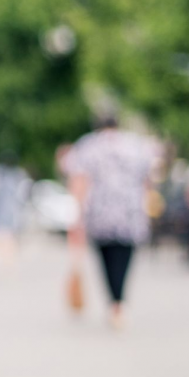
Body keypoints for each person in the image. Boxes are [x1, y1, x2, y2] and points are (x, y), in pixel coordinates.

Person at [61, 113, 161, 330]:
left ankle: (115, 302)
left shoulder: (88, 145)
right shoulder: (136, 145)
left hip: (100, 213)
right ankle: (119, 302)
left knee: (106, 259)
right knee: (124, 257)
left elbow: (79, 181)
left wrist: (77, 214)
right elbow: (148, 180)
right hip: (130, 212)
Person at [0, 150, 28, 269]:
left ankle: (4, 264)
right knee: (7, 240)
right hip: (8, 216)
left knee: (2, 241)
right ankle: (7, 264)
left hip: (4, 216)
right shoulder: (16, 177)